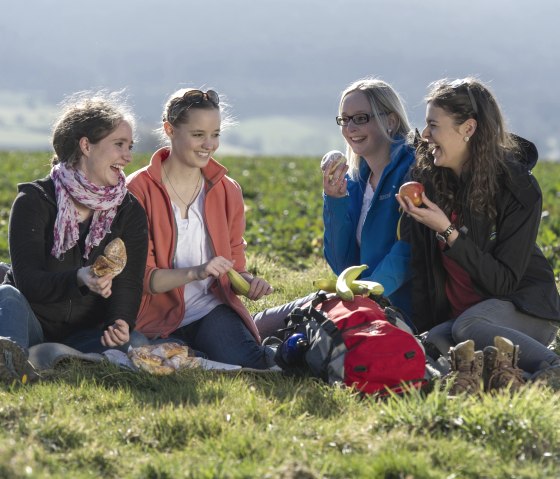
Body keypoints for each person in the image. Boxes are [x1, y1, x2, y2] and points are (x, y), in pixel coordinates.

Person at [396, 77, 560, 392]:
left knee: (470, 326)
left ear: (468, 129)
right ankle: (514, 380)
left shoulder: (518, 189)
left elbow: (503, 282)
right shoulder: (432, 182)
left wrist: (448, 231)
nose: (425, 134)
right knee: (430, 343)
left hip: (523, 310)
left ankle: (552, 367)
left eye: (433, 125)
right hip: (465, 318)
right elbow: (424, 273)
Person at [127, 87, 304, 369]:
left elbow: (235, 264)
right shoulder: (137, 190)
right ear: (169, 130)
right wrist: (197, 271)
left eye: (216, 134)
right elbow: (143, 279)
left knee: (251, 366)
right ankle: (196, 351)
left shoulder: (227, 191)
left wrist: (248, 284)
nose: (209, 144)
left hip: (208, 309)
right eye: (198, 135)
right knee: (142, 357)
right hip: (151, 317)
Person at [0, 91, 149, 383]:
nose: (128, 156)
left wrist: (119, 322)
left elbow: (129, 283)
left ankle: (39, 359)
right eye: (119, 144)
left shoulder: (129, 211)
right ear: (86, 146)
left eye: (130, 146)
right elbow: (29, 282)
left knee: (138, 342)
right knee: (7, 296)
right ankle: (12, 362)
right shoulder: (35, 200)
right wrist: (79, 278)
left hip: (87, 332)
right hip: (34, 320)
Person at [322, 78, 415, 322]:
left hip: (403, 309)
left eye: (361, 118)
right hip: (365, 301)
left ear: (391, 121)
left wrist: (366, 297)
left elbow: (409, 251)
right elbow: (342, 264)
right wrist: (335, 201)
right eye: (344, 119)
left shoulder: (413, 172)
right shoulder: (354, 182)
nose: (350, 127)